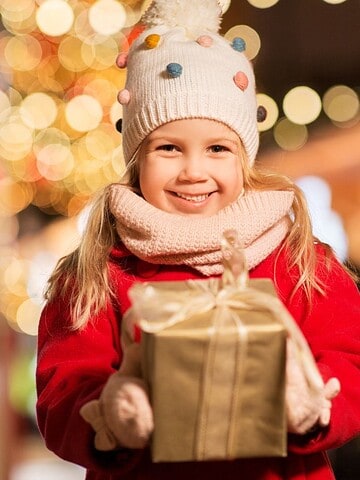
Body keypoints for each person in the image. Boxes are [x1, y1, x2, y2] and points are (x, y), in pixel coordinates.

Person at [35, 1, 360, 479]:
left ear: (243, 158)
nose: (193, 171)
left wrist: (316, 400)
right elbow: (61, 387)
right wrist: (107, 410)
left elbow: (349, 357)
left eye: (217, 149)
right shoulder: (98, 275)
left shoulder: (298, 262)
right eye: (168, 148)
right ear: (136, 158)